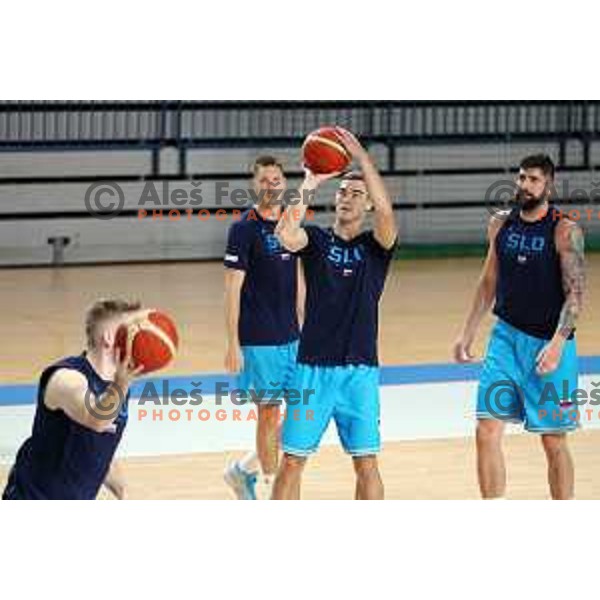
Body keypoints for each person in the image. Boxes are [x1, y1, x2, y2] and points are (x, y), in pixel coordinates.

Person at [272, 128, 397, 500]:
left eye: (357, 193)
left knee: (366, 463)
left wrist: (362, 160)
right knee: (292, 462)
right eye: (342, 191)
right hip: (312, 368)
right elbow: (284, 232)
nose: (347, 197)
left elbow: (387, 211)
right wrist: (310, 180)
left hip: (360, 370)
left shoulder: (376, 247)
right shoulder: (316, 240)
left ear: (368, 204)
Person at [454, 154, 585, 500]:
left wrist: (558, 343)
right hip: (505, 341)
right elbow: (488, 282)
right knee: (486, 429)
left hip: (549, 346)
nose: (525, 185)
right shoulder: (500, 224)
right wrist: (467, 331)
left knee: (554, 440)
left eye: (534, 180)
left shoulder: (565, 230)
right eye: (522, 178)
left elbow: (575, 296)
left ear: (549, 185)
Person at [2, 299, 143, 500]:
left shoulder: (116, 387)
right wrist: (121, 386)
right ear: (109, 338)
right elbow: (96, 419)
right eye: (132, 330)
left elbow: (98, 449)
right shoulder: (67, 379)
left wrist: (123, 492)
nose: (139, 337)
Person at [223, 156, 305, 499]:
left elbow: (298, 278)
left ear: (284, 183)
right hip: (259, 339)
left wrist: (308, 324)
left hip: (293, 337)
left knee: (302, 413)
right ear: (254, 185)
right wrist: (232, 344)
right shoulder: (243, 229)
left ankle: (243, 470)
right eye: (264, 180)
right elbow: (231, 289)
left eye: (276, 179)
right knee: (269, 413)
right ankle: (272, 489)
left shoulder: (290, 223)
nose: (271, 185)